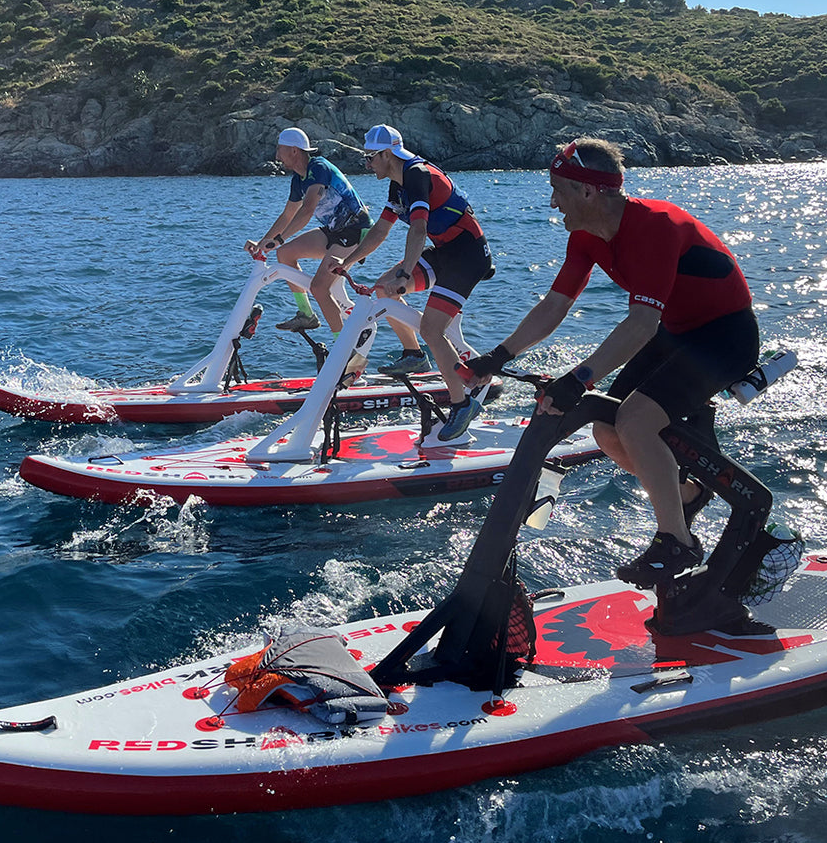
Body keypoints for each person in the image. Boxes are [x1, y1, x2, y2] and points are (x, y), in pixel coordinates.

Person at [462, 138, 759, 585]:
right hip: (674, 332)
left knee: (635, 421)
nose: (551, 200)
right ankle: (687, 496)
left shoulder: (654, 225)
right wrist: (499, 355)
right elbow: (556, 303)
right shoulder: (585, 236)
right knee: (607, 430)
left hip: (724, 336)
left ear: (587, 191)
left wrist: (579, 378)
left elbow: (640, 324)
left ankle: (676, 543)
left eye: (557, 189)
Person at [349, 124, 494, 442]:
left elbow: (417, 230)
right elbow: (379, 232)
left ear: (387, 155)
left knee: (431, 328)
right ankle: (415, 354)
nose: (367, 164)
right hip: (445, 252)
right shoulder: (396, 185)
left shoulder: (415, 175)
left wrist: (406, 273)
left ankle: (462, 403)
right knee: (382, 287)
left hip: (467, 255)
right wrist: (346, 262)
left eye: (370, 158)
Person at [245, 128, 371, 334]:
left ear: (294, 150)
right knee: (284, 253)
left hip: (356, 231)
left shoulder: (318, 167)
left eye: (279, 149)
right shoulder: (298, 179)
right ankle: (306, 314)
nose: (276, 156)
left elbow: (307, 209)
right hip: (334, 231)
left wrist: (279, 239)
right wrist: (263, 243)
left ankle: (343, 351)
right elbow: (287, 216)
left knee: (319, 288)